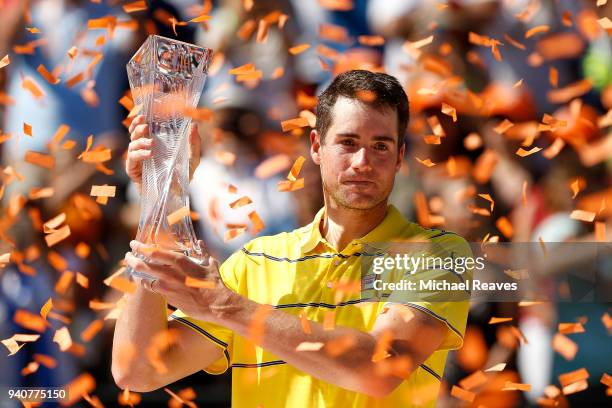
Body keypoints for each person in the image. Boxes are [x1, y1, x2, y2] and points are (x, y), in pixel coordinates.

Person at [112, 70, 471, 407]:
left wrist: (225, 306)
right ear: (316, 146)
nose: (363, 161)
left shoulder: (440, 254)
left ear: (399, 157)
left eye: (380, 146)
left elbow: (378, 370)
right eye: (348, 142)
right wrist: (159, 199)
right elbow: (138, 370)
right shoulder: (255, 261)